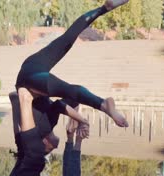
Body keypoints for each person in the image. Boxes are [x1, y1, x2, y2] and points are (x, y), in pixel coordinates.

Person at [2, 88, 120, 176]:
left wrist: (79, 143)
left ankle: (25, 101)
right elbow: (68, 175)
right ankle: (17, 102)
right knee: (24, 152)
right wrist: (70, 139)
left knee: (35, 156)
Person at [15, 0, 130, 128]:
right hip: (32, 66)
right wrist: (82, 120)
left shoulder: (39, 134)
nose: (55, 144)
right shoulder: (48, 122)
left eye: (51, 146)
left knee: (67, 89)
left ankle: (103, 104)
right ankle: (104, 8)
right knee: (67, 39)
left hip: (28, 80)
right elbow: (60, 105)